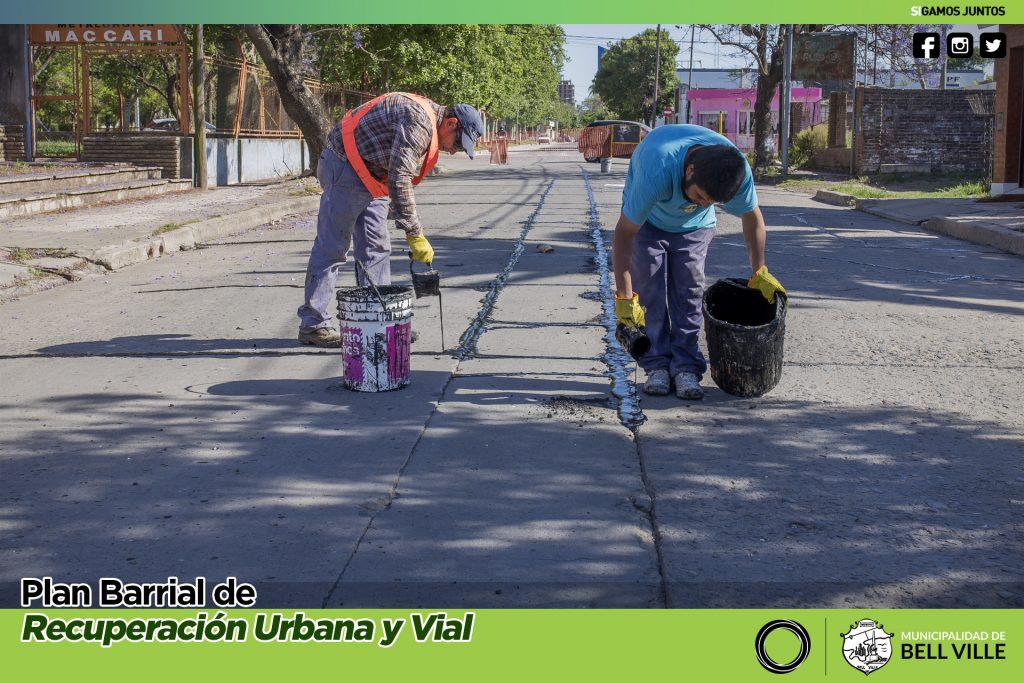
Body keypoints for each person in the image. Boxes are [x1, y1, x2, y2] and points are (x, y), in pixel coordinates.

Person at [611, 124, 785, 400]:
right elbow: (623, 236)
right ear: (689, 171)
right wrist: (624, 297)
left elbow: (752, 217)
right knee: (649, 292)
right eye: (700, 196)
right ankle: (656, 365)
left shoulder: (735, 172)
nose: (703, 204)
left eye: (711, 202)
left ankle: (686, 367)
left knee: (689, 292)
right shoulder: (657, 168)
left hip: (695, 228)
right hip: (649, 222)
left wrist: (759, 271)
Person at [297, 92, 484, 347]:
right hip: (344, 165)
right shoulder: (419, 122)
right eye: (458, 144)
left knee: (376, 247)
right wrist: (414, 233)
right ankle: (313, 325)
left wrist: (406, 223)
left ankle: (379, 320)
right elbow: (400, 178)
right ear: (451, 123)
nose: (453, 151)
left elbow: (397, 176)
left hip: (371, 173)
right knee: (333, 247)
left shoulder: (428, 120)